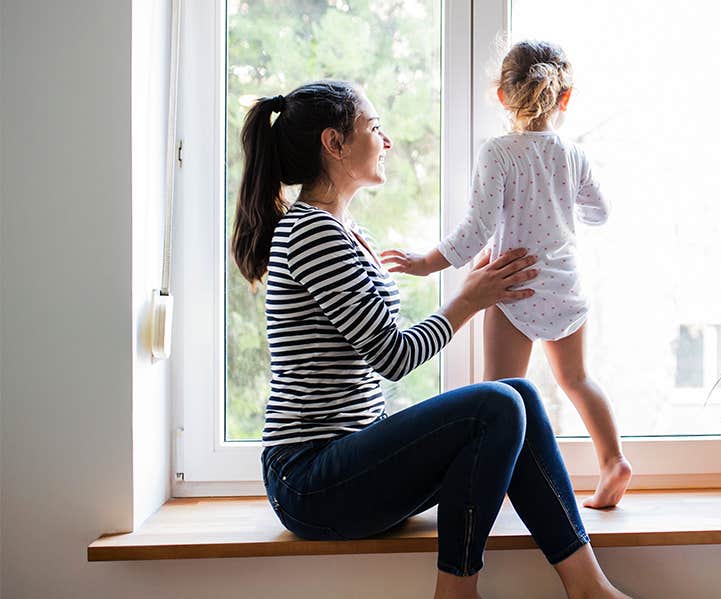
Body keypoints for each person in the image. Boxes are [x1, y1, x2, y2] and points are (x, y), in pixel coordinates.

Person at [232, 79, 630, 599]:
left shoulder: (342, 230)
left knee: (521, 397)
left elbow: (372, 339)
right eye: (373, 127)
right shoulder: (312, 233)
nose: (387, 139)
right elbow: (392, 355)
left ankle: (589, 589)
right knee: (497, 403)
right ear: (334, 144)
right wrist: (469, 298)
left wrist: (477, 287)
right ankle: (457, 592)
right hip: (310, 480)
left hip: (347, 462)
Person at [386, 40, 632, 509]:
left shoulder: (497, 154)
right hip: (564, 287)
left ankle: (495, 486)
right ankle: (613, 460)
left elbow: (476, 230)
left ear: (501, 95)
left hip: (511, 287)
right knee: (578, 379)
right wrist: (561, 201)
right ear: (565, 98)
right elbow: (600, 212)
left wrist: (423, 263)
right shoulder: (571, 154)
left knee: (497, 396)